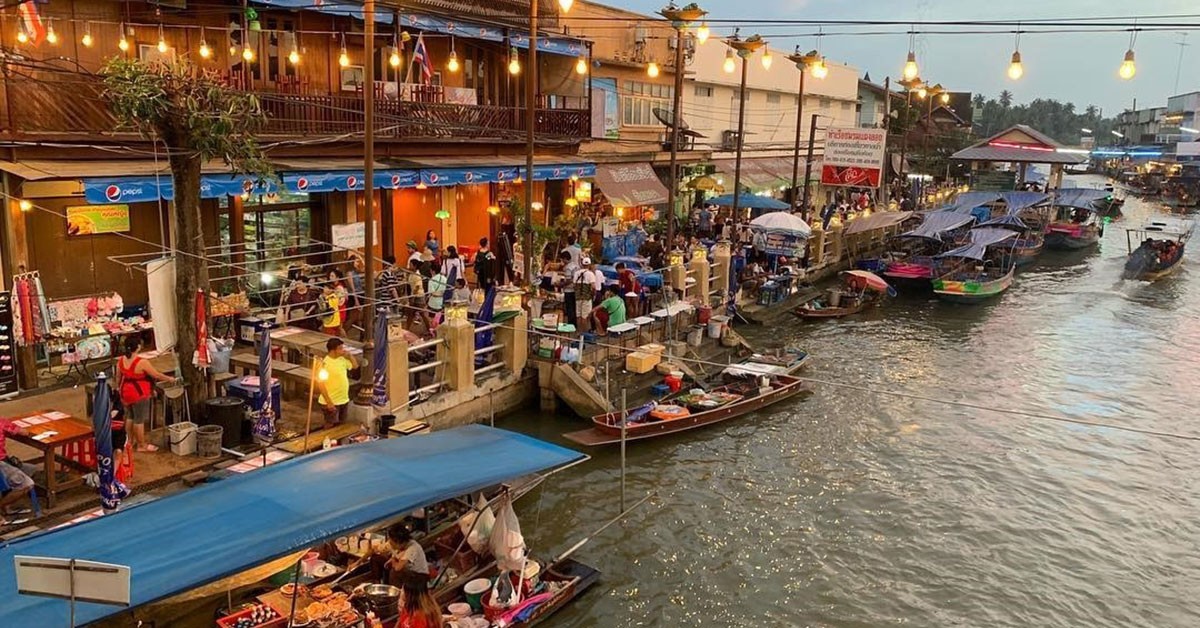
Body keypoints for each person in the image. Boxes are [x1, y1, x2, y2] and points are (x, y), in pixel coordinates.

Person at [115, 337, 175, 452]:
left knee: (130, 417)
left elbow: (118, 377)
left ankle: (129, 441)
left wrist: (119, 390)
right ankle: (141, 445)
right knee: (139, 419)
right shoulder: (141, 362)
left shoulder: (121, 360)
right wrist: (169, 378)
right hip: (139, 393)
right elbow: (156, 375)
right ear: (137, 347)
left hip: (125, 392)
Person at [317, 338, 358, 429]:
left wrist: (350, 356)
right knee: (330, 425)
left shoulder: (342, 359)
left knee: (342, 424)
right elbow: (321, 384)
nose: (342, 350)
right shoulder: (324, 364)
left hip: (343, 399)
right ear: (333, 350)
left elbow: (355, 366)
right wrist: (329, 402)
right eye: (340, 348)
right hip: (332, 401)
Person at [0, 416, 33, 525]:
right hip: (1, 463)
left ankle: (6, 507)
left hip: (3, 463)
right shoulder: (2, 422)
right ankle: (2, 506)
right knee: (27, 484)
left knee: (28, 469)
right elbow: (24, 432)